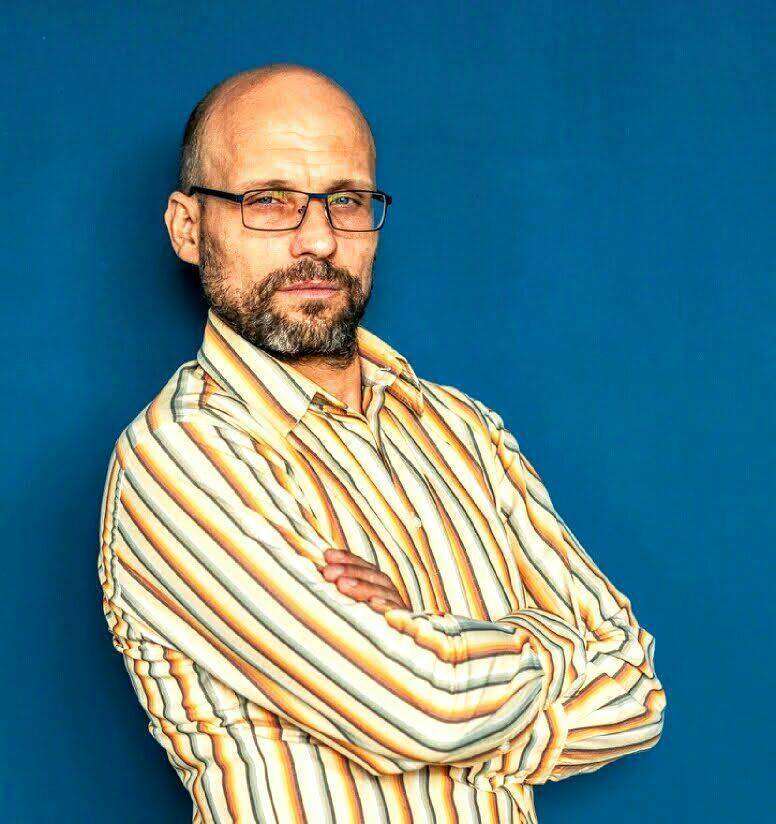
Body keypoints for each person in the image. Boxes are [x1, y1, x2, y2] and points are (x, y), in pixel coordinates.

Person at [98, 62, 666, 824]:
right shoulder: (178, 457)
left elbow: (636, 688)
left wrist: (432, 641)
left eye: (346, 200)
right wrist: (538, 650)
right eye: (269, 200)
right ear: (188, 228)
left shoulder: (463, 430)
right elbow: (421, 707)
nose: (319, 240)